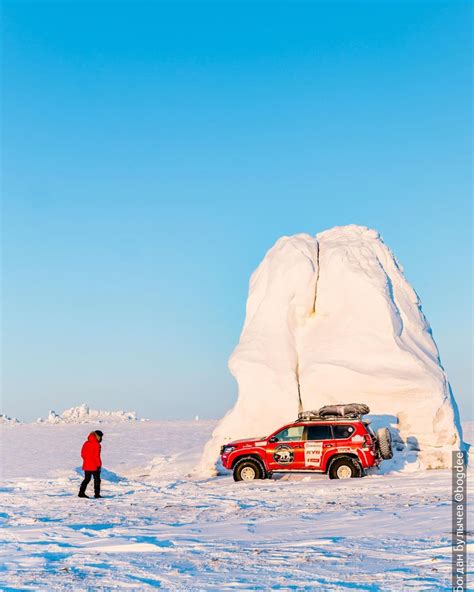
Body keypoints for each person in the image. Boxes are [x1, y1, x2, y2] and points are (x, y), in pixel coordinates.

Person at [78, 430, 103, 498]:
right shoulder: (97, 444)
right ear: (98, 437)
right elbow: (96, 456)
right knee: (97, 480)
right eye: (101, 437)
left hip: (87, 465)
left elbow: (82, 454)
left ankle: (81, 493)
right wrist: (99, 465)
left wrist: (87, 460)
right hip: (95, 465)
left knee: (87, 479)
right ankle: (97, 494)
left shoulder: (86, 443)